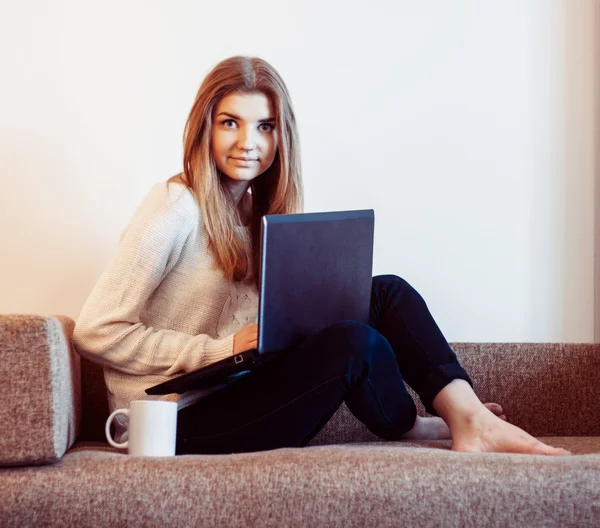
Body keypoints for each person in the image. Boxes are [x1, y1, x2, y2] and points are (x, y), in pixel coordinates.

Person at [73, 56, 570, 457]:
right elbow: (96, 330)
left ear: (280, 136)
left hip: (239, 388)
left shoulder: (257, 215)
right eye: (231, 123)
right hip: (173, 420)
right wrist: (221, 350)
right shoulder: (174, 207)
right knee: (352, 343)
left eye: (265, 126)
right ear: (205, 128)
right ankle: (418, 428)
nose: (249, 142)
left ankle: (469, 418)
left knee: (385, 292)